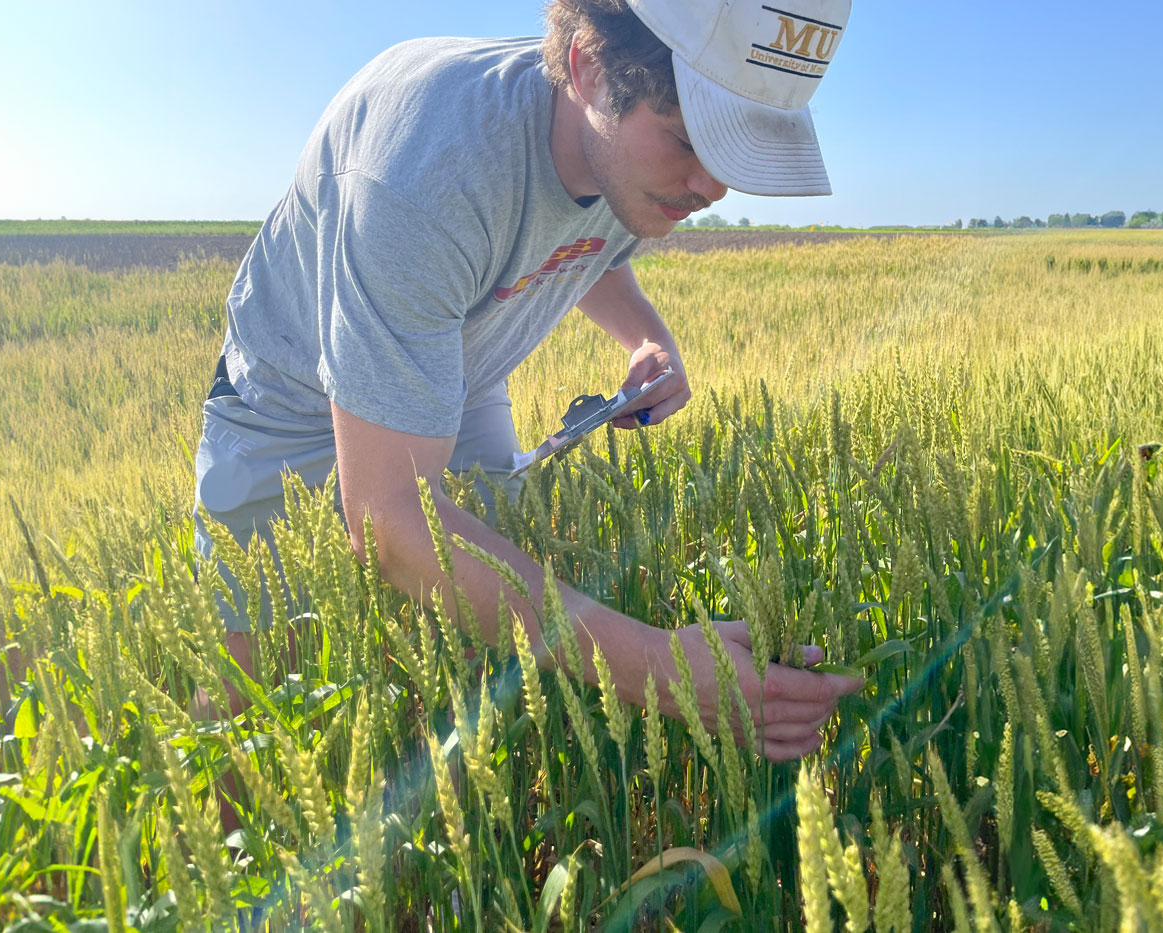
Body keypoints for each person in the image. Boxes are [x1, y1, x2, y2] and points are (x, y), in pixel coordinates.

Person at [191, 0, 861, 762]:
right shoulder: (426, 172)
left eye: (734, 151)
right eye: (685, 139)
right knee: (243, 718)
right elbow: (389, 522)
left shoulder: (625, 153)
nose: (710, 187)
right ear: (584, 66)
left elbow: (588, 237)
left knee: (474, 645)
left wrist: (648, 335)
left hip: (462, 378)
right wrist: (658, 669)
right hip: (289, 409)